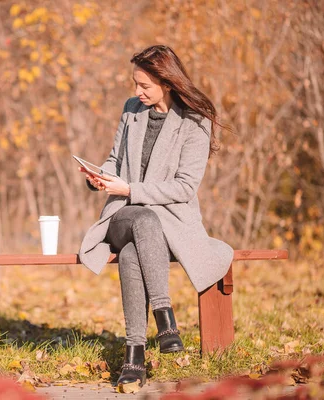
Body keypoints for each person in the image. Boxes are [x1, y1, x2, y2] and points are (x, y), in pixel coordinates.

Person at [78, 45, 234, 389]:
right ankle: (166, 321)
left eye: (144, 86)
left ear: (167, 83)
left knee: (136, 248)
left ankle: (135, 355)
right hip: (123, 216)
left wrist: (130, 189)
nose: (137, 92)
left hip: (170, 223)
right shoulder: (131, 110)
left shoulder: (196, 121)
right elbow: (114, 160)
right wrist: (100, 178)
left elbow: (184, 188)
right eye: (135, 84)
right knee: (142, 222)